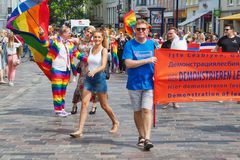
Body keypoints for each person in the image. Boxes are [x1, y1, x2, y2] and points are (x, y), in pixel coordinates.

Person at [70, 28, 119, 138]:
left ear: (102, 39)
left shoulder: (104, 50)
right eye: (95, 37)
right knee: (84, 103)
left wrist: (94, 71)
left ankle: (115, 121)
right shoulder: (91, 48)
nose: (96, 39)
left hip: (99, 79)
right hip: (89, 78)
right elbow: (88, 61)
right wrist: (87, 70)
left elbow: (103, 65)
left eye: (98, 37)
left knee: (104, 105)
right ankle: (80, 130)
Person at [122, 19, 157, 151]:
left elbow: (161, 60)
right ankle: (141, 136)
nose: (141, 31)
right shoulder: (129, 45)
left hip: (149, 83)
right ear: (134, 31)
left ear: (148, 30)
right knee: (137, 111)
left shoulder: (153, 44)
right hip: (134, 83)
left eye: (143, 29)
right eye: (139, 29)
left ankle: (147, 138)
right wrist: (147, 60)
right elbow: (128, 63)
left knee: (147, 110)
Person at [39, 25, 87, 117]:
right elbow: (44, 43)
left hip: (66, 70)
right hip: (57, 69)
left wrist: (88, 59)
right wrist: (41, 34)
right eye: (69, 32)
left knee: (63, 90)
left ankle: (62, 109)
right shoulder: (55, 41)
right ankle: (58, 110)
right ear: (63, 33)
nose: (70, 33)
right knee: (57, 90)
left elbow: (77, 54)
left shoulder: (69, 44)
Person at [70, 26, 99, 115]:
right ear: (84, 31)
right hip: (83, 66)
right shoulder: (79, 40)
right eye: (87, 31)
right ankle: (74, 105)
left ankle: (94, 106)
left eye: (91, 33)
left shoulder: (95, 42)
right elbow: (73, 50)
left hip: (93, 66)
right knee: (80, 85)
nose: (88, 34)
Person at [161, 27, 182, 109]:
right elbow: (162, 55)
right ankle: (166, 101)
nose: (169, 35)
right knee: (167, 85)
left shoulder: (179, 43)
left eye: (171, 33)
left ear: (175, 34)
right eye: (168, 33)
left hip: (177, 67)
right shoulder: (165, 44)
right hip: (167, 67)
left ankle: (175, 102)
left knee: (176, 85)